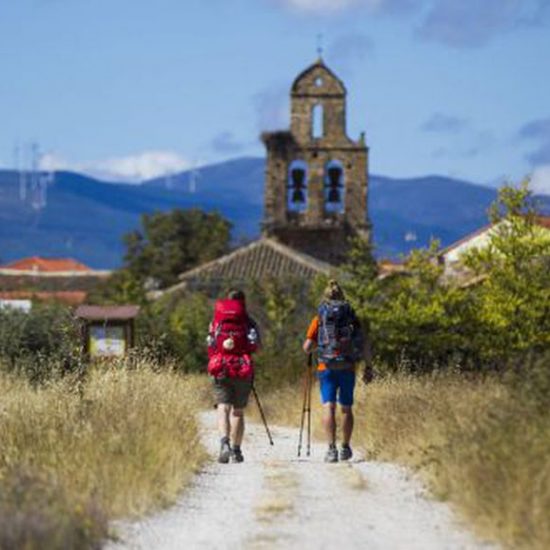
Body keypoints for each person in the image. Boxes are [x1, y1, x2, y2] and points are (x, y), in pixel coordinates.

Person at [302, 279, 370, 463]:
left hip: (326, 367)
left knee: (329, 407)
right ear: (343, 297)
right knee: (346, 408)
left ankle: (331, 450)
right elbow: (363, 343)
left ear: (325, 297)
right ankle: (345, 447)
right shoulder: (352, 318)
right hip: (348, 366)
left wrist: (318, 345)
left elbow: (307, 347)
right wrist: (368, 366)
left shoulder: (319, 318)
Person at [207, 288, 261, 464]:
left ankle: (224, 443)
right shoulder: (249, 323)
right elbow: (255, 347)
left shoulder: (216, 321)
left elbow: (210, 344)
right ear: (243, 303)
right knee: (237, 411)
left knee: (223, 407)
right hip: (242, 368)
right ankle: (237, 451)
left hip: (221, 367)